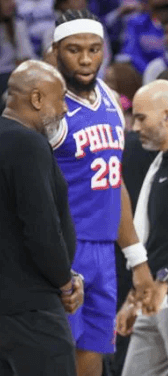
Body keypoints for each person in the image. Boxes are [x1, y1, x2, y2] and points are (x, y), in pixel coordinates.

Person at [50, 9, 154, 376]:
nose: (85, 59)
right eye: (74, 49)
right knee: (55, 357)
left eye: (94, 49)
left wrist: (137, 258)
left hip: (103, 249)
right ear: (54, 52)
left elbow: (115, 184)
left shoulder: (110, 98)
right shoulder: (48, 105)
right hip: (62, 248)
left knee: (93, 352)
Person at [0, 60, 83, 375]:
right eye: (60, 98)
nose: (63, 109)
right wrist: (65, 282)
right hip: (32, 310)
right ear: (36, 99)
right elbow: (41, 229)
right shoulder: (28, 143)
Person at [115, 80, 168, 376]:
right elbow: (153, 237)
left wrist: (166, 279)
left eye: (141, 117)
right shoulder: (160, 162)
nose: (134, 127)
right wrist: (133, 301)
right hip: (154, 299)